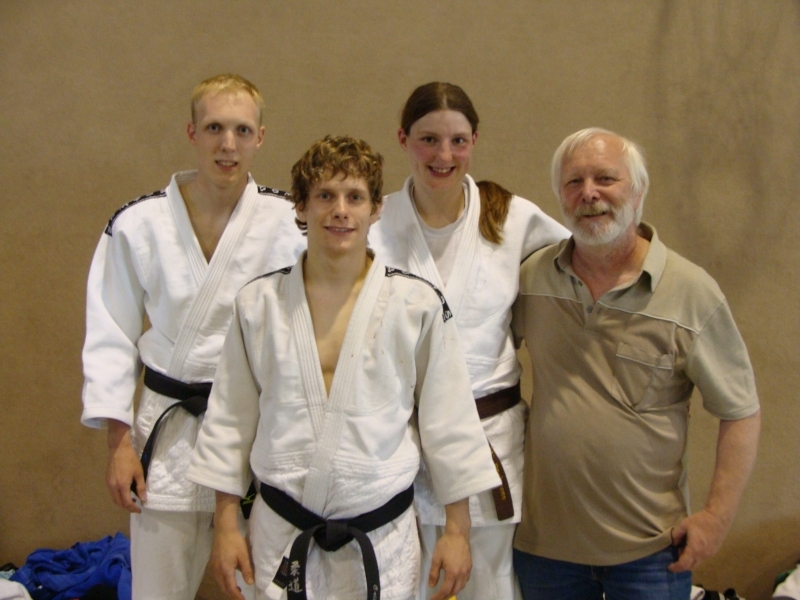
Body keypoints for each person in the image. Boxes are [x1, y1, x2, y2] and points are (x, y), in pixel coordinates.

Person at [187, 135, 501, 600]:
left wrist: (457, 530)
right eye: (325, 196)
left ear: (376, 209)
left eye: (355, 197)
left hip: (383, 538)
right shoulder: (258, 304)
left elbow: (449, 420)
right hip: (282, 532)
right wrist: (227, 527)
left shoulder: (416, 303)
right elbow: (230, 421)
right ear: (300, 206)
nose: (340, 210)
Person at [80, 73, 305, 600]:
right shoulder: (138, 224)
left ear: (260, 137)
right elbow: (110, 334)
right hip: (166, 435)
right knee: (158, 590)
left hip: (255, 432)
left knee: (266, 588)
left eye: (242, 130)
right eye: (214, 128)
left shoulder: (290, 222)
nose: (228, 144)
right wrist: (119, 444)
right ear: (192, 132)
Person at [512, 127, 761, 599]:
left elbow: (741, 411)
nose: (589, 193)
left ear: (639, 191)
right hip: (545, 551)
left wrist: (717, 517)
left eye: (606, 178)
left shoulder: (690, 292)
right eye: (573, 182)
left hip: (650, 554)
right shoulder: (532, 278)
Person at [368, 82, 569, 600]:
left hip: (489, 438)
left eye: (458, 141)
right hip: (399, 441)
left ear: (474, 141)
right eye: (428, 139)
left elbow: (581, 267)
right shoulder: (375, 222)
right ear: (403, 139)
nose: (444, 155)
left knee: (490, 584)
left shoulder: (513, 219)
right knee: (404, 583)